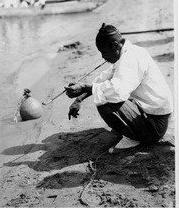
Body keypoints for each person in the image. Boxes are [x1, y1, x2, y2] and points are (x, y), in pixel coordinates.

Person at [65, 23, 173, 153]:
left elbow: (116, 91)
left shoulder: (131, 58)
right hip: (153, 116)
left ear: (115, 46)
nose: (103, 57)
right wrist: (79, 99)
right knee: (104, 91)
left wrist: (84, 87)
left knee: (106, 101)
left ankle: (134, 138)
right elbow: (104, 79)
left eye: (103, 52)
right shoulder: (129, 52)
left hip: (155, 127)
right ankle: (134, 129)